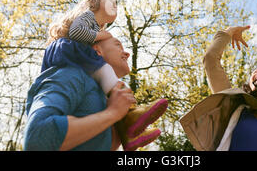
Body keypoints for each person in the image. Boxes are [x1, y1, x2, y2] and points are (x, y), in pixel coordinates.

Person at [45, 0, 167, 150]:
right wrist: (102, 34)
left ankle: (129, 132)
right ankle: (131, 113)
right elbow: (76, 33)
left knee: (109, 86)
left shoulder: (94, 27)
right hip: (68, 53)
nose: (114, 6)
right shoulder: (87, 17)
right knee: (105, 71)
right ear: (94, 5)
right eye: (110, 2)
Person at [24, 36, 163, 151]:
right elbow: (37, 137)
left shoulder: (105, 97)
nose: (127, 53)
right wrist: (113, 113)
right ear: (97, 51)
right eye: (118, 45)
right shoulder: (70, 75)